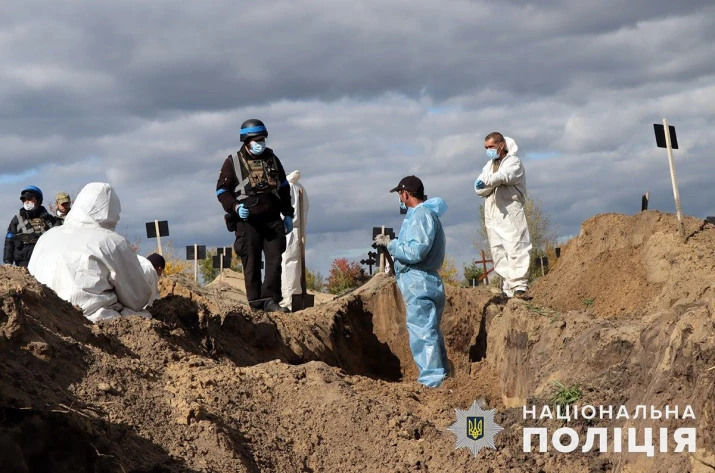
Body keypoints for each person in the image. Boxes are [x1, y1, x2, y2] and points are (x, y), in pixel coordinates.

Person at [28, 182, 153, 322]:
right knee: (140, 317)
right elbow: (137, 298)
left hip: (40, 320)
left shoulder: (46, 237)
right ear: (111, 211)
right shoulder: (112, 242)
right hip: (92, 322)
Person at [374, 176, 450, 388]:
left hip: (418, 282)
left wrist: (392, 245)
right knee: (430, 331)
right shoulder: (425, 214)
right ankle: (442, 376)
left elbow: (416, 251)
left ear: (405, 194)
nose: (400, 198)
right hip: (426, 281)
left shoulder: (420, 215)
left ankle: (432, 382)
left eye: (400, 194)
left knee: (423, 332)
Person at [216, 119, 295, 313]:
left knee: (275, 260)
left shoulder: (273, 159)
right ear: (247, 141)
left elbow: (284, 187)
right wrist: (234, 207)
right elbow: (222, 191)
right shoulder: (232, 162)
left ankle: (270, 300)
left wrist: (288, 214)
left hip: (272, 219)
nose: (261, 143)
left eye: (263, 139)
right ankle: (256, 303)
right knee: (251, 262)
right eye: (257, 140)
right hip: (247, 221)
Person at [474, 132, 532, 298]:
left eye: (491, 147)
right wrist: (489, 183)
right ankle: (508, 288)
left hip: (510, 211)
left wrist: (489, 182)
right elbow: (478, 189)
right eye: (486, 147)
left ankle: (519, 286)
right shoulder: (489, 166)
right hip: (493, 214)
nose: (488, 150)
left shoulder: (513, 162)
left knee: (516, 246)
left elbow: (505, 176)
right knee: (498, 250)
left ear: (501, 145)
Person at [4, 186, 56, 267]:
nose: (26, 202)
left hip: (45, 262)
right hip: (23, 262)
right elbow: (9, 241)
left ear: (38, 200)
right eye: (24, 200)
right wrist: (8, 261)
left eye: (29, 199)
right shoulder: (17, 219)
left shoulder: (49, 219)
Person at [280, 170, 309, 310]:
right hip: (300, 229)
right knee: (295, 264)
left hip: (289, 229)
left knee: (288, 263)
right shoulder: (300, 187)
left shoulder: (287, 187)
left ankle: (289, 299)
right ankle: (296, 295)